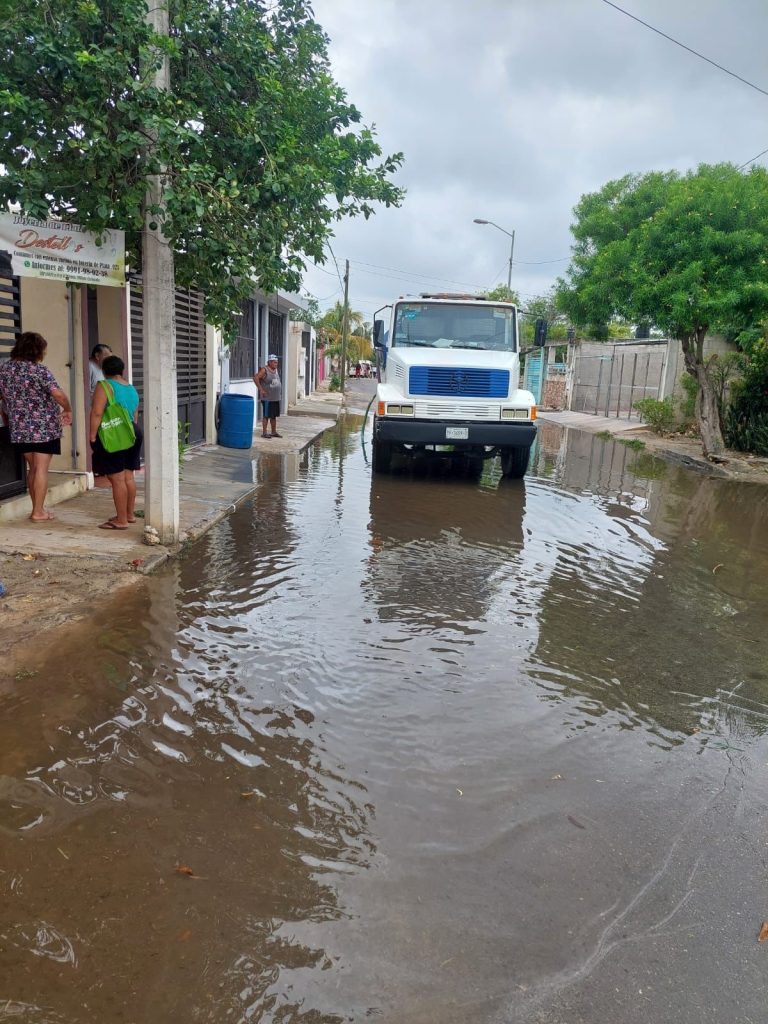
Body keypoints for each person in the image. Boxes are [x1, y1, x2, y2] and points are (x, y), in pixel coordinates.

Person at [0, 331, 72, 521]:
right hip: (44, 428)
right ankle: (38, 512)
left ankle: (36, 508)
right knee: (40, 468)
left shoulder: (4, 370)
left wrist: (8, 415)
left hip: (19, 428)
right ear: (37, 350)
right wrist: (67, 408)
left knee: (33, 468)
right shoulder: (39, 370)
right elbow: (58, 394)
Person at [89, 355, 142, 530]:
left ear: (104, 370)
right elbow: (135, 414)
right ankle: (129, 515)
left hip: (115, 435)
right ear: (122, 370)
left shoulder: (104, 386)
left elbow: (97, 412)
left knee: (117, 478)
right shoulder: (131, 387)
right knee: (128, 476)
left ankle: (121, 520)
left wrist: (92, 435)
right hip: (133, 432)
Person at [253, 354, 282, 438]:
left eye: (277, 362)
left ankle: (273, 432)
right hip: (268, 398)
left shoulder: (275, 370)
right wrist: (261, 389)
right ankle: (264, 433)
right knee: (266, 415)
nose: (276, 364)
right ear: (269, 362)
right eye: (274, 362)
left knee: (274, 416)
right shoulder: (264, 370)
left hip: (275, 398)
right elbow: (255, 378)